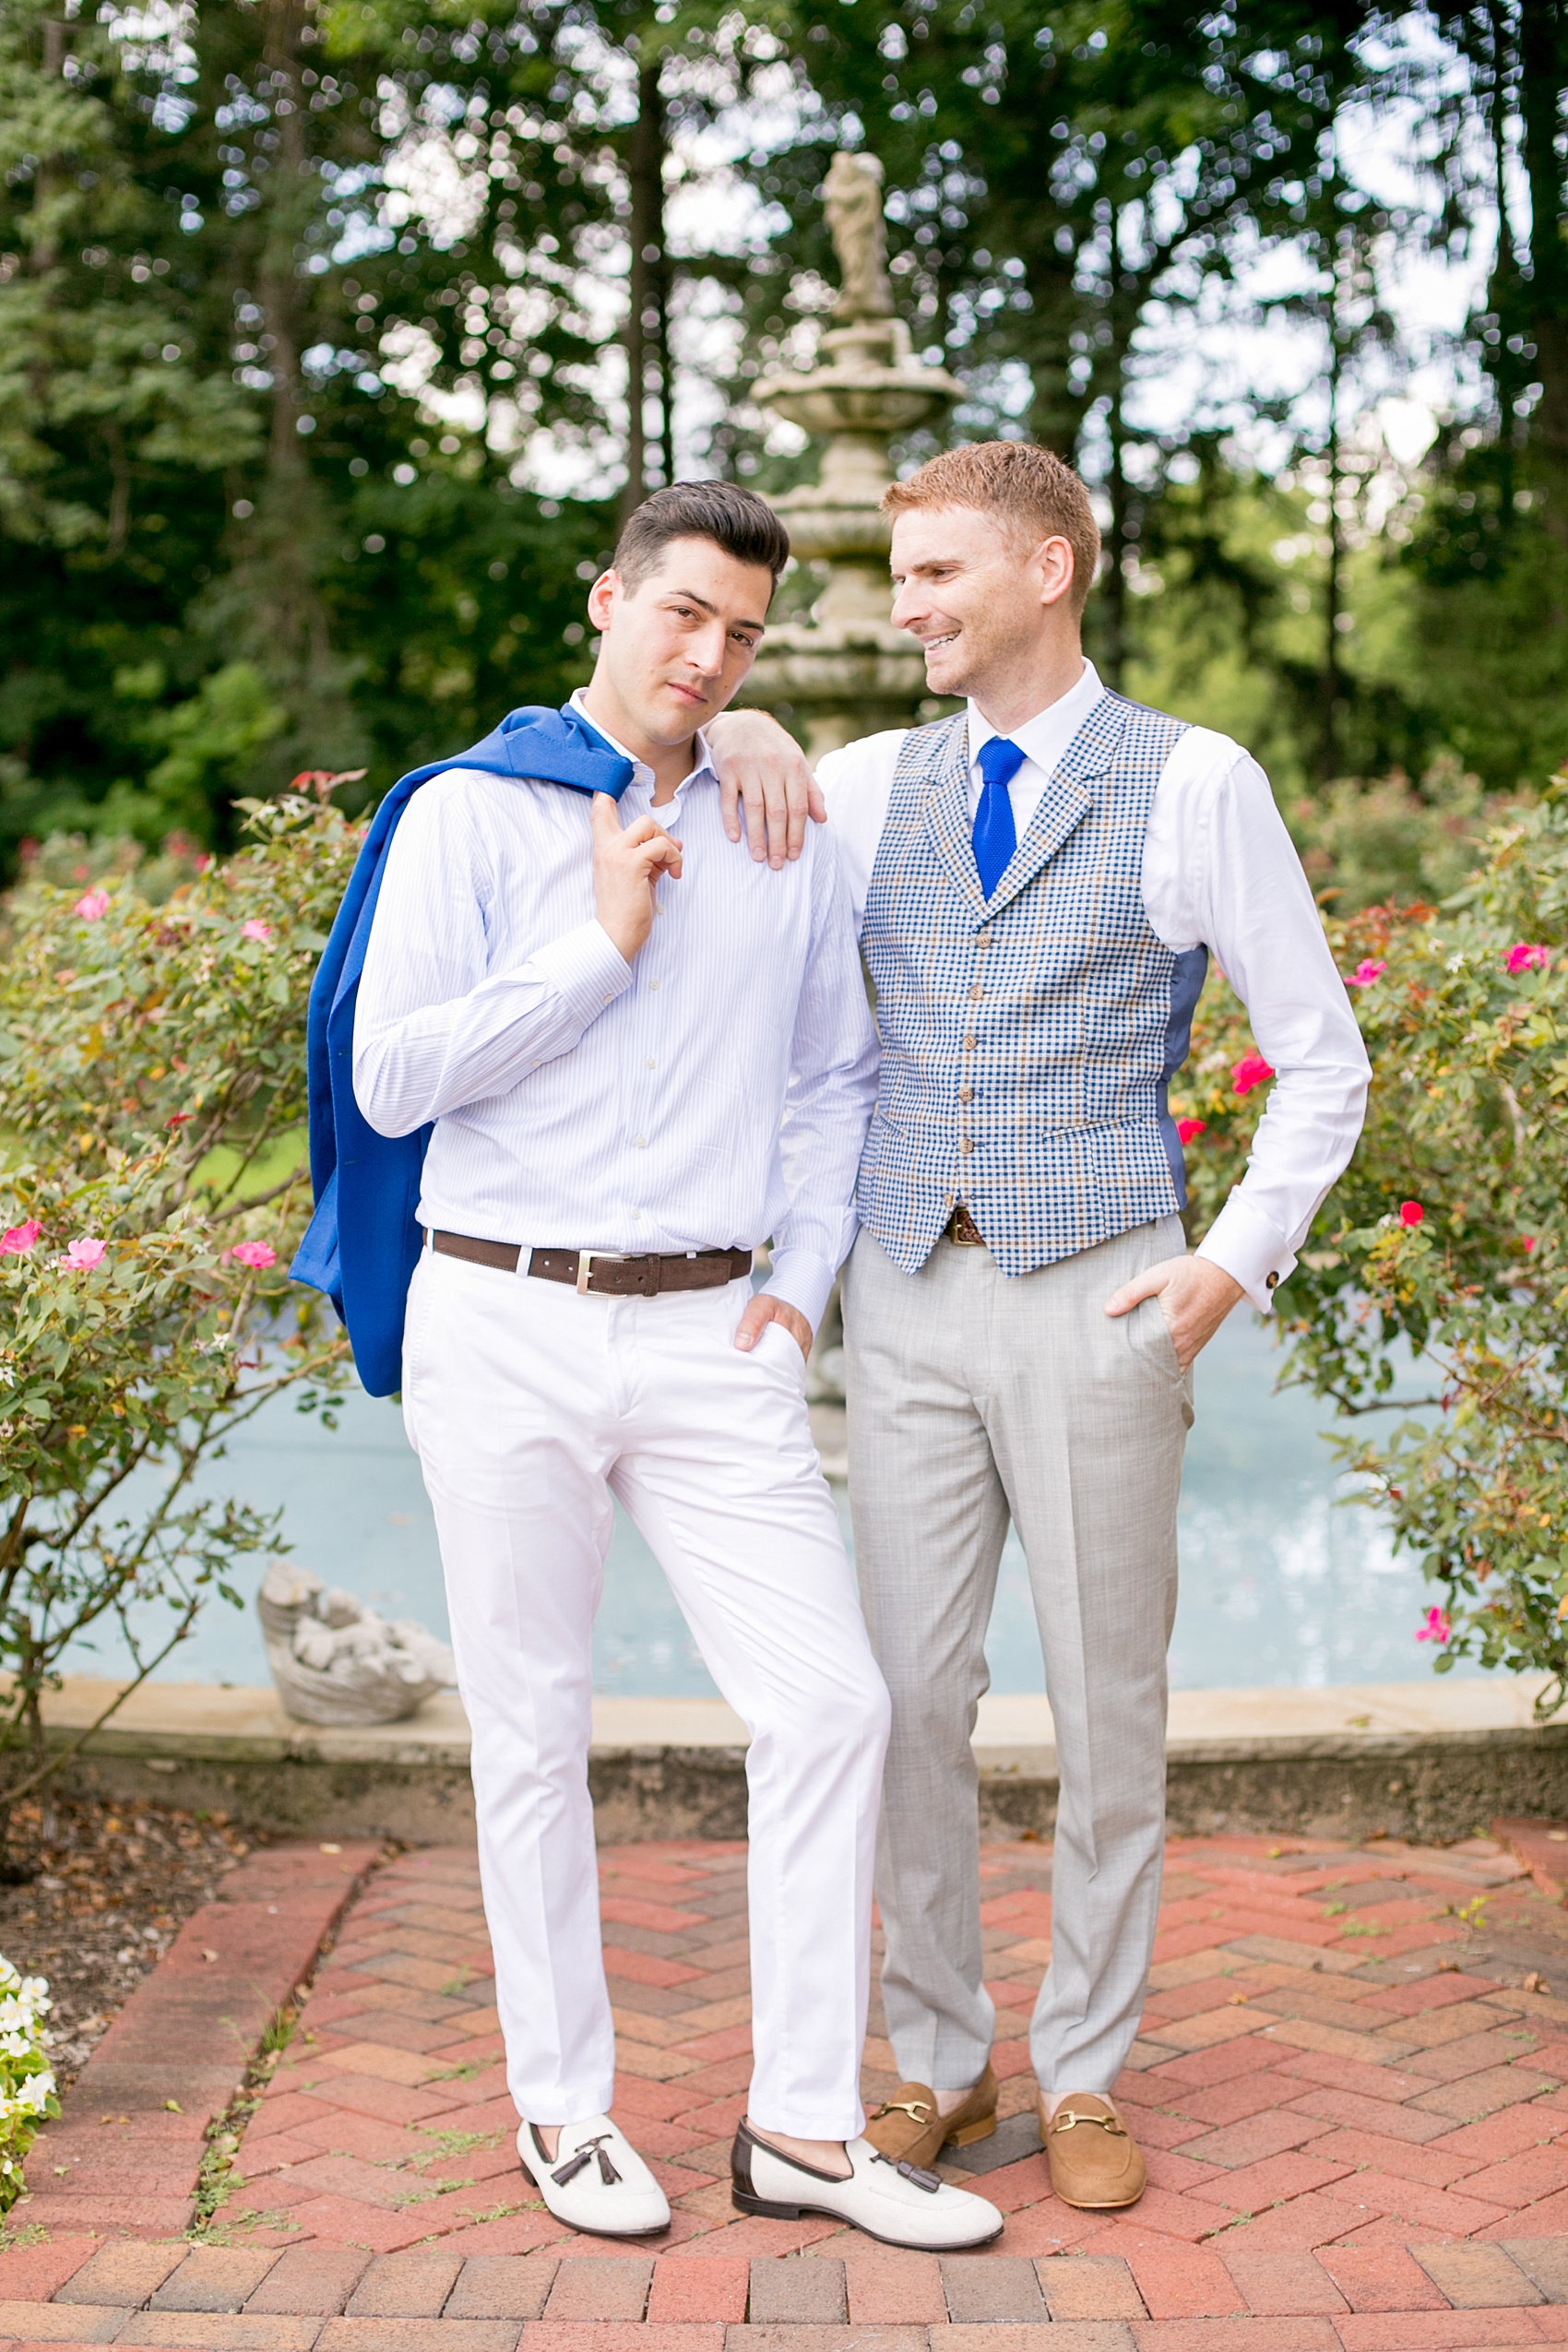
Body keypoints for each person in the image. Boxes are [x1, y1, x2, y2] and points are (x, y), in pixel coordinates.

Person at [705, 442, 1371, 2212]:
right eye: (899, 573)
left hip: (1106, 1291)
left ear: (1050, 568)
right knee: (906, 1697)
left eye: (935, 574)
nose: (903, 602)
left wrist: (1233, 1263)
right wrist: (746, 732)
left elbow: (1322, 1057)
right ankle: (939, 2055)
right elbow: (682, 792)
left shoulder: (1195, 782)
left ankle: (1083, 2066)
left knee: (1109, 1702)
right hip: (905, 1298)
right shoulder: (857, 777)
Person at [346, 481, 1004, 2251]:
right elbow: (395, 1076)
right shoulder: (470, 820)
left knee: (831, 1702)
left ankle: (801, 2123)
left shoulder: (782, 816)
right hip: (502, 1312)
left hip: (716, 1336)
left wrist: (797, 1281)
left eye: (745, 637)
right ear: (606, 599)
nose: (707, 658)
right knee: (532, 1730)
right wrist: (595, 947)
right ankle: (562, 2113)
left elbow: (829, 1080)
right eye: (684, 616)